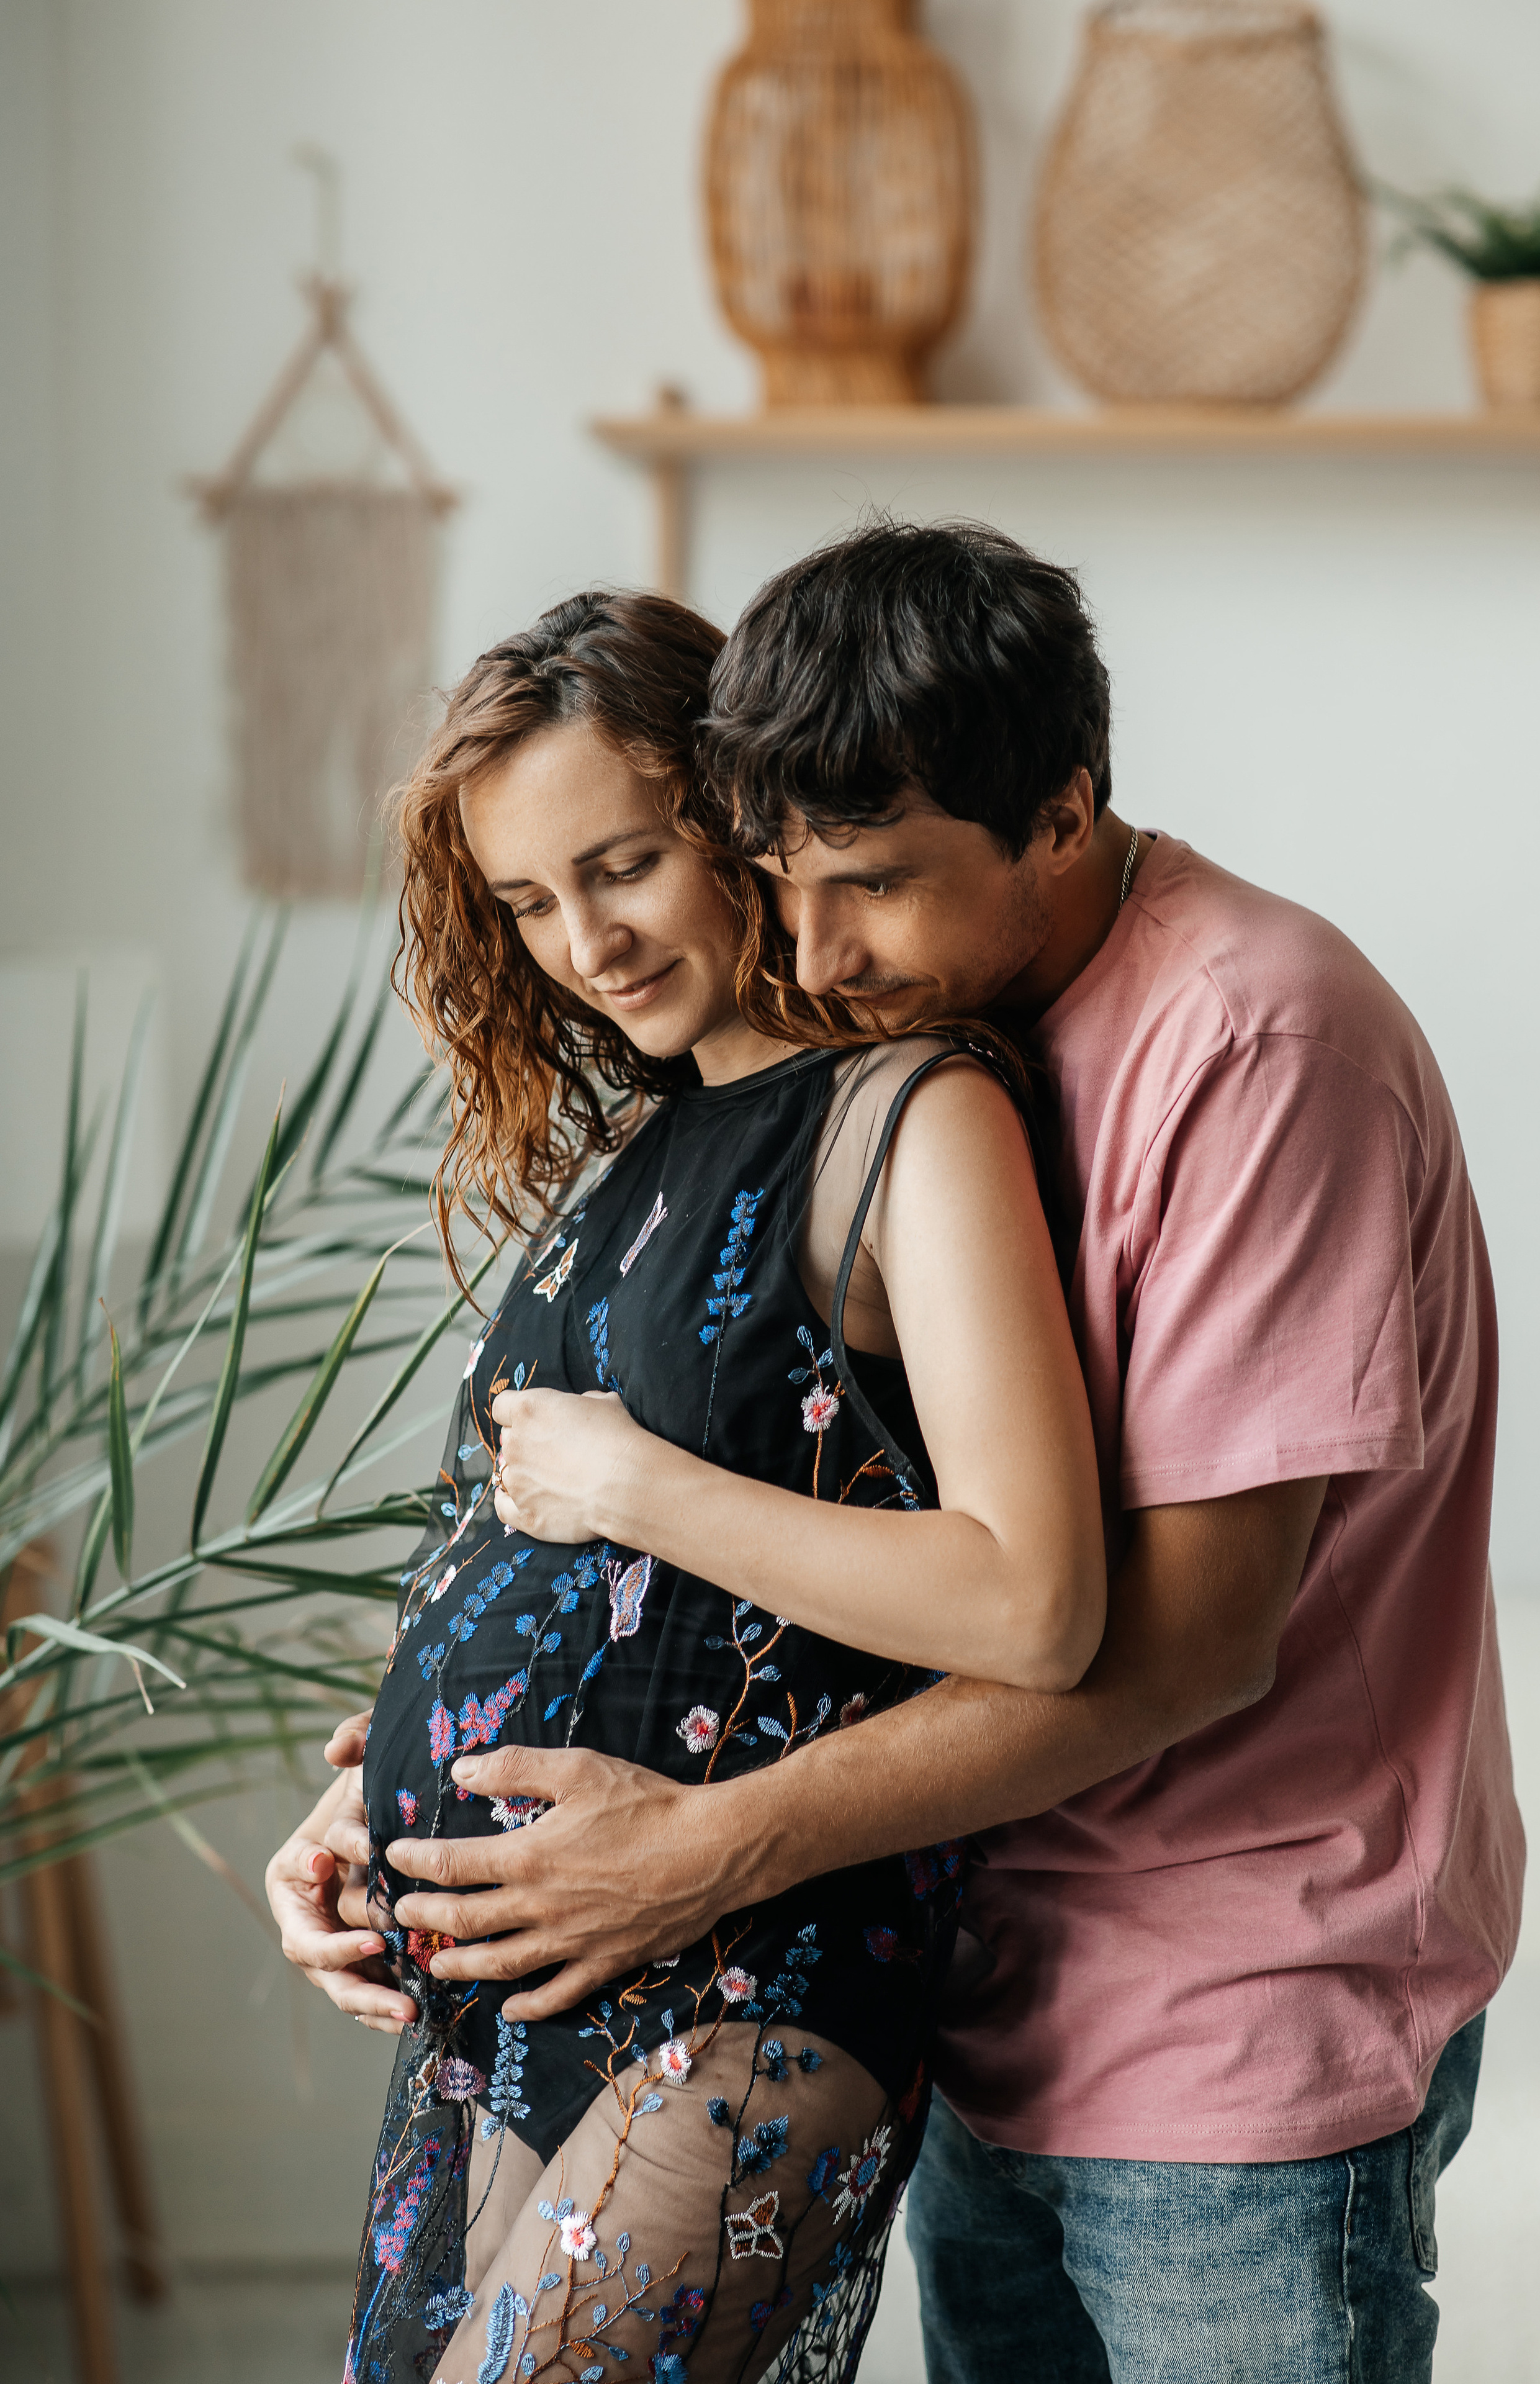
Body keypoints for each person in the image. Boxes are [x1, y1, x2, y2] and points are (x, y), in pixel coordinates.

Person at [271, 523, 1524, 2383]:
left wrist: (698, 1848)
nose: (819, 946)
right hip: (991, 1959)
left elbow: (1151, 1636)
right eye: (788, 879)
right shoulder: (893, 1040)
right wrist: (400, 1790)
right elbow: (745, 1548)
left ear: (1064, 814)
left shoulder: (1241, 1044)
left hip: (1228, 1989)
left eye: (868, 886)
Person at [324, 584, 1107, 2384]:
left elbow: (1034, 1601)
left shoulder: (914, 1117)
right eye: (528, 901)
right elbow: (512, 1562)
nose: (584, 941)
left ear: (736, 813)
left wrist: (635, 1479)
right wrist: (350, 1805)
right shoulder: (636, 1152)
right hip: (517, 1984)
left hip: (753, 1984)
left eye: (624, 864)